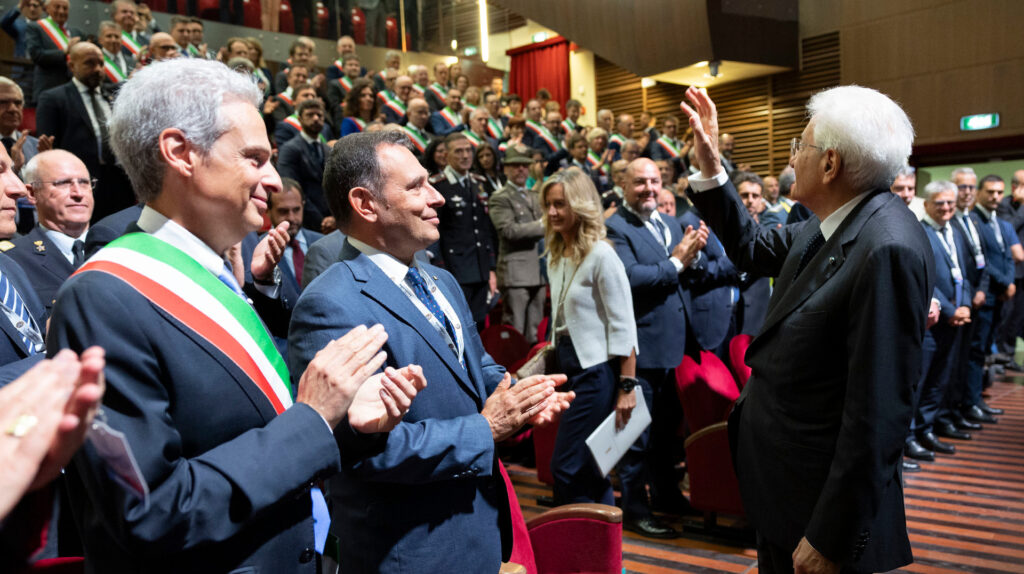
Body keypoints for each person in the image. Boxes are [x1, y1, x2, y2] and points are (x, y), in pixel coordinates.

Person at [49, 58, 422, 574]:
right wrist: (312, 419)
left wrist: (346, 424)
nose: (273, 180)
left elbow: (250, 433)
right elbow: (151, 512)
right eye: (254, 157)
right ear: (181, 153)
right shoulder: (103, 297)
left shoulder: (216, 277)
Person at [288, 130, 573, 573]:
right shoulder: (331, 303)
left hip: (475, 529)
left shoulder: (440, 278)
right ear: (366, 204)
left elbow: (476, 367)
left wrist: (522, 396)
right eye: (417, 186)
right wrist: (486, 428)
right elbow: (363, 450)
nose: (437, 197)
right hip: (413, 550)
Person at [681, 84, 932, 573]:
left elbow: (878, 414)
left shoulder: (886, 247)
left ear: (831, 165)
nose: (793, 156)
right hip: (787, 491)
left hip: (821, 514)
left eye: (801, 145)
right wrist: (713, 169)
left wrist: (830, 535)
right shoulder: (837, 219)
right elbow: (752, 248)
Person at [605, 157, 707, 538]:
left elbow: (678, 273)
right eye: (640, 183)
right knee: (634, 436)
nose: (649, 188)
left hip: (671, 347)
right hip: (639, 349)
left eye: (654, 181)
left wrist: (690, 257)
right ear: (623, 186)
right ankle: (634, 507)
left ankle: (665, 495)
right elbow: (630, 279)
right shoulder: (615, 227)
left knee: (666, 433)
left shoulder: (668, 222)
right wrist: (679, 261)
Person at [542, 167, 638, 505]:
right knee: (590, 467)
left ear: (580, 206)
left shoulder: (602, 254)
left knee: (566, 467)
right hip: (568, 367)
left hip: (596, 374)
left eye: (561, 205)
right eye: (549, 205)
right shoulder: (555, 252)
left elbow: (623, 324)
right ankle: (602, 554)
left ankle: (571, 543)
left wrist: (628, 387)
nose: (553, 212)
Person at [35, 42, 135, 223]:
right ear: (72, 65)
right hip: (80, 183)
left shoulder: (114, 96)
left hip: (119, 181)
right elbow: (49, 148)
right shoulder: (53, 98)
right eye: (90, 63)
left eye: (101, 64)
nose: (97, 69)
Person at [8, 150, 93, 313]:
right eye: (63, 183)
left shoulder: (119, 248)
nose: (78, 193)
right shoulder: (13, 261)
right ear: (32, 193)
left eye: (84, 183)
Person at [432, 133, 497, 329]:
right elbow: (435, 231)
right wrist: (440, 269)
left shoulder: (478, 182)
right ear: (446, 155)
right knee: (459, 326)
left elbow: (485, 228)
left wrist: (491, 267)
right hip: (455, 269)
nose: (465, 155)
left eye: (468, 150)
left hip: (480, 267)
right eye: (458, 151)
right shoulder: (438, 185)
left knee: (480, 326)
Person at [488, 145, 545, 344]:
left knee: (535, 330)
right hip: (516, 272)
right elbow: (508, 231)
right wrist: (543, 225)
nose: (521, 169)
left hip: (539, 271)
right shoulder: (500, 197)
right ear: (506, 169)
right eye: (516, 166)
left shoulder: (534, 195)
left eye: (524, 166)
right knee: (516, 331)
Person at [277, 99, 332, 231]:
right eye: (310, 115)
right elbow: (292, 188)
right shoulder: (289, 149)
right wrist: (321, 221)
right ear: (300, 119)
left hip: (331, 221)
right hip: (304, 222)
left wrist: (334, 217)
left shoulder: (328, 150)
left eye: (319, 115)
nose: (315, 118)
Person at [25, 0, 80, 102]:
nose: (61, 11)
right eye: (57, 7)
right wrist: (64, 51)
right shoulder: (36, 27)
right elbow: (36, 55)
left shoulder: (76, 33)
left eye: (65, 8)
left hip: (73, 93)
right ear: (47, 8)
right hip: (48, 89)